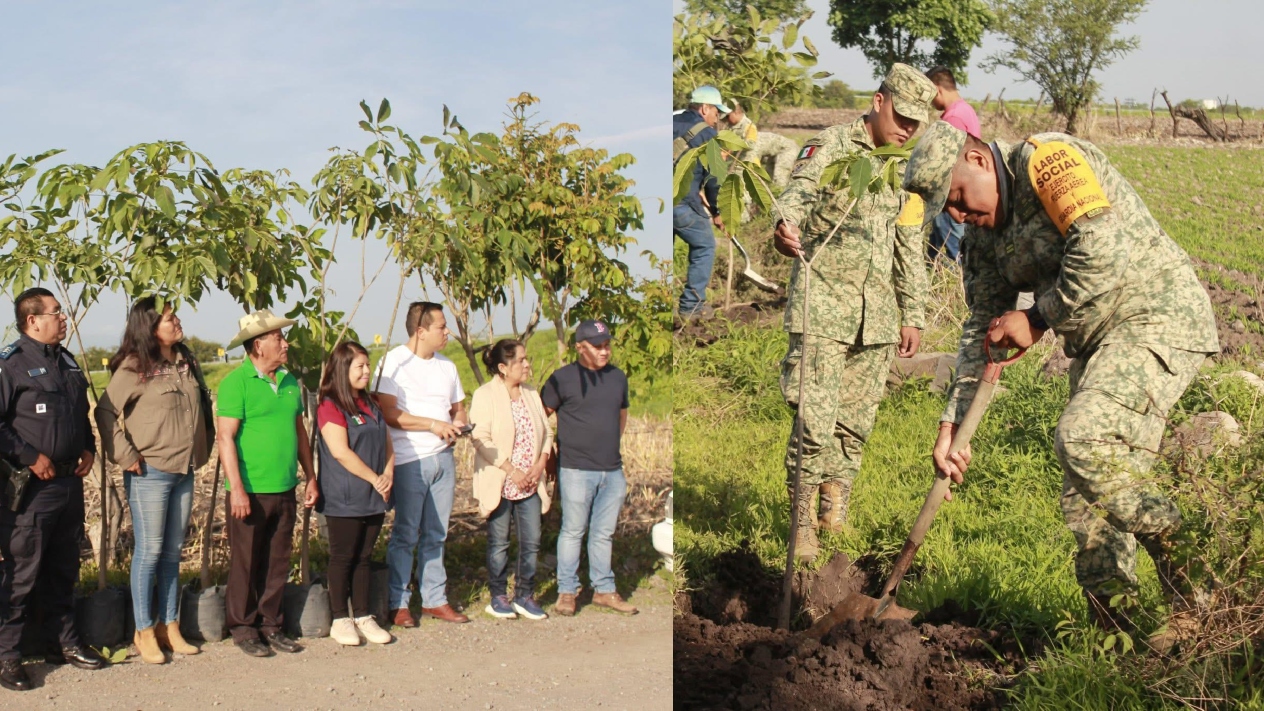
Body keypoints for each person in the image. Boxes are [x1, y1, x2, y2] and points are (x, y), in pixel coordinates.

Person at [902, 119, 1220, 652]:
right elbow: (982, 325)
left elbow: (1102, 248)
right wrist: (952, 424)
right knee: (1084, 496)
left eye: (956, 196)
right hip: (1098, 341)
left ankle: (1201, 594)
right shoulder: (982, 236)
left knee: (1083, 439)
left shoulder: (1047, 160)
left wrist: (1037, 319)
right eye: (946, 209)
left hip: (1155, 316)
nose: (957, 214)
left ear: (978, 161)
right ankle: (1116, 638)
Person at [771, 63, 936, 560]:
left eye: (916, 123)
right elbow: (796, 196)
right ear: (878, 101)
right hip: (823, 306)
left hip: (878, 316)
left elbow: (909, 243)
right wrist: (785, 226)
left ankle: (833, 511)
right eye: (902, 117)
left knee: (854, 424)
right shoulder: (833, 146)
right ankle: (801, 521)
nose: (907, 129)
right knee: (815, 422)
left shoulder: (905, 167)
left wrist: (913, 312)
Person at [0, 288, 106, 691]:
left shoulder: (66, 361)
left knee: (64, 568)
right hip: (31, 489)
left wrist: (89, 447)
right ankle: (8, 655)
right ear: (32, 321)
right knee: (22, 572)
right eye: (56, 312)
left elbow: (80, 413)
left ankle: (63, 643)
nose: (63, 318)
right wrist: (30, 456)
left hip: (68, 483)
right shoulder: (11, 364)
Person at [95, 298, 210, 664]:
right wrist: (126, 455)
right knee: (149, 552)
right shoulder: (135, 367)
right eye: (168, 319)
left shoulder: (185, 362)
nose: (177, 323)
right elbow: (105, 412)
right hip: (150, 473)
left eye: (175, 316)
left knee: (173, 552)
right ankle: (143, 630)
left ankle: (169, 625)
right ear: (149, 327)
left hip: (183, 470)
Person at [216, 309, 318, 658]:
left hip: (284, 487)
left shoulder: (289, 382)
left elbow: (299, 432)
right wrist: (237, 489)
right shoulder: (236, 383)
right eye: (278, 338)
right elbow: (225, 438)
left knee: (277, 561)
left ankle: (271, 625)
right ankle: (243, 628)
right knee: (246, 563)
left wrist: (310, 476)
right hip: (251, 490)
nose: (285, 344)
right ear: (258, 345)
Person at [376, 302, 470, 627]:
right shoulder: (393, 363)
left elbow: (459, 408)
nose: (447, 332)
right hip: (409, 460)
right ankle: (398, 602)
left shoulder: (447, 366)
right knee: (406, 533)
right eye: (441, 327)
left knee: (437, 533)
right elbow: (389, 413)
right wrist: (432, 425)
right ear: (421, 331)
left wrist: (458, 423)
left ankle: (435, 599)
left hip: (444, 458)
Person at [542, 320, 637, 617]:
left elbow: (621, 415)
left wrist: (609, 446)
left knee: (603, 533)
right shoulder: (562, 379)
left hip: (612, 470)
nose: (604, 351)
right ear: (580, 347)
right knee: (573, 531)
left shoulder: (618, 378)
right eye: (597, 346)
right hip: (576, 471)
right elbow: (541, 417)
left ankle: (604, 590)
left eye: (607, 345)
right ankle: (567, 592)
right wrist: (548, 455)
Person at [315, 342, 394, 647]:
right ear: (342, 369)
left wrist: (388, 474)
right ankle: (340, 618)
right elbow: (340, 452)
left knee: (364, 556)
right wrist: (375, 478)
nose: (367, 371)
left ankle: (363, 615)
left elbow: (387, 442)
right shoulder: (330, 405)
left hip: (375, 493)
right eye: (360, 366)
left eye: (368, 365)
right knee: (343, 556)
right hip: (345, 495)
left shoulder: (371, 403)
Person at [469, 339, 554, 621]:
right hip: (502, 481)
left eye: (526, 358)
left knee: (532, 540)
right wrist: (511, 470)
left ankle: (524, 595)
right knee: (499, 543)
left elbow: (547, 432)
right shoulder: (485, 395)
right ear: (503, 367)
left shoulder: (530, 393)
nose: (527, 364)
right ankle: (498, 596)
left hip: (531, 482)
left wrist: (539, 465)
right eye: (520, 360)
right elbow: (480, 437)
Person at [673, 85, 731, 319]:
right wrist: (718, 211)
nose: (718, 118)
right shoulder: (708, 135)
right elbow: (714, 180)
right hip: (682, 203)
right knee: (704, 246)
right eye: (717, 112)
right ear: (705, 108)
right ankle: (692, 306)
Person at [924, 66, 981, 263]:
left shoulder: (953, 118)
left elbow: (947, 163)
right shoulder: (965, 110)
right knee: (937, 241)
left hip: (951, 192)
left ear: (937, 89)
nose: (930, 101)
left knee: (952, 245)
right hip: (963, 190)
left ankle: (958, 278)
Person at [723, 101, 799, 223]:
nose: (725, 120)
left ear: (736, 112)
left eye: (727, 116)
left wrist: (729, 151)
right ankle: (761, 215)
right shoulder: (733, 128)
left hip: (786, 150)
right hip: (771, 155)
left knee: (778, 182)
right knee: (767, 184)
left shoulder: (749, 127)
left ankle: (783, 216)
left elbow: (750, 148)